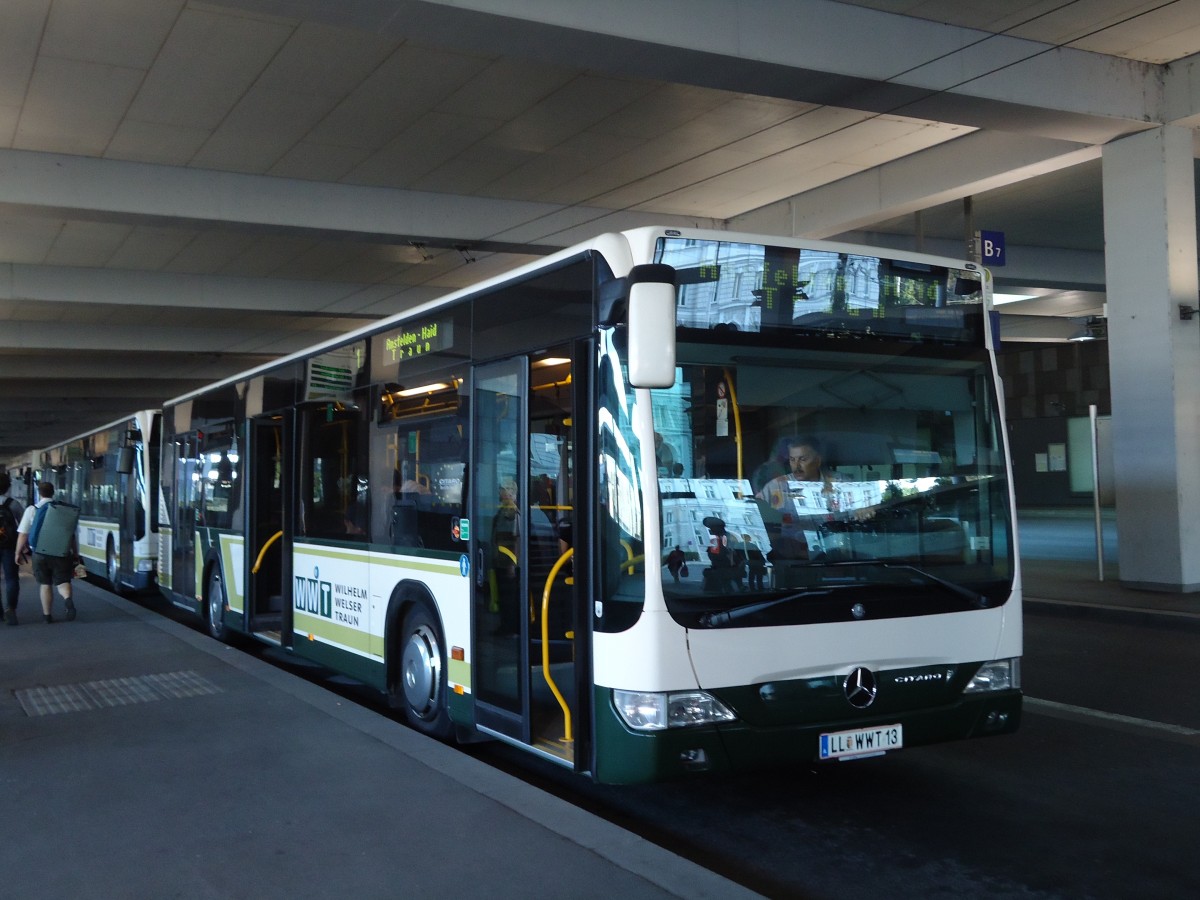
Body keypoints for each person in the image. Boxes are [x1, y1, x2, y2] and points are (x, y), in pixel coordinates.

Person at [14, 481, 78, 624]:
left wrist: (18, 552)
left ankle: (47, 615)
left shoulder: (32, 509)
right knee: (63, 582)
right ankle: (67, 599)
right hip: (61, 552)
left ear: (39, 492)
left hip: (40, 553)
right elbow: (70, 534)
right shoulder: (61, 509)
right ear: (53, 492)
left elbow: (23, 534)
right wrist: (75, 553)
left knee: (45, 583)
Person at [0, 471, 23, 625]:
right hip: (9, 545)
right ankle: (11, 609)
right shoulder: (13, 504)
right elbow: (23, 525)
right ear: (8, 486)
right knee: (11, 578)